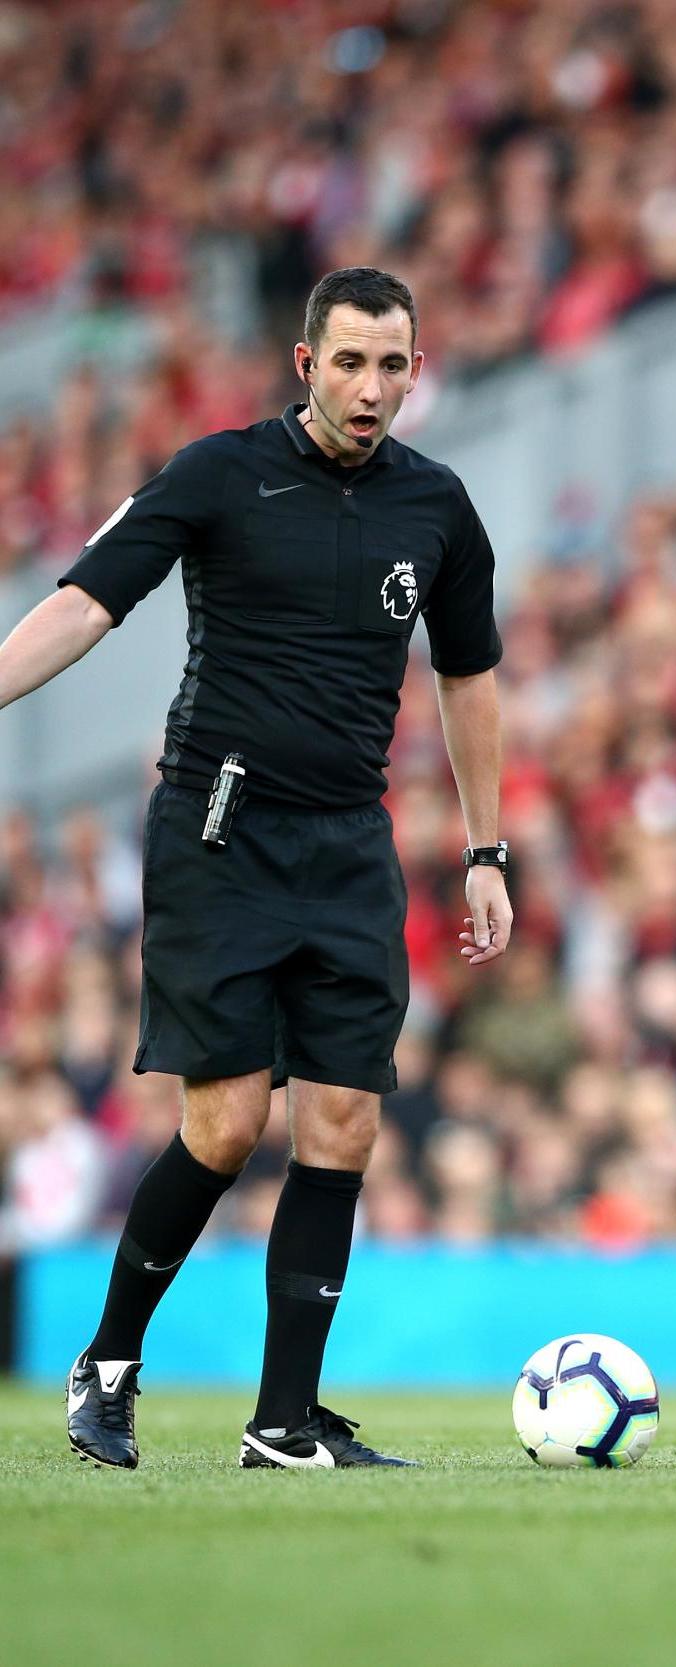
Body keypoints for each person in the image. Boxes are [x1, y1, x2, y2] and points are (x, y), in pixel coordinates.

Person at [0, 267, 513, 1469]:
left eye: (393, 365)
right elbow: (84, 604)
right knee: (226, 1124)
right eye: (349, 361)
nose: (371, 387)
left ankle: (285, 1420)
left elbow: (468, 676)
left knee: (341, 1120)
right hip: (218, 832)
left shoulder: (436, 507)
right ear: (305, 363)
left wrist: (486, 848)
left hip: (348, 841)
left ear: (416, 372)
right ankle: (110, 1360)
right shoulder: (218, 474)